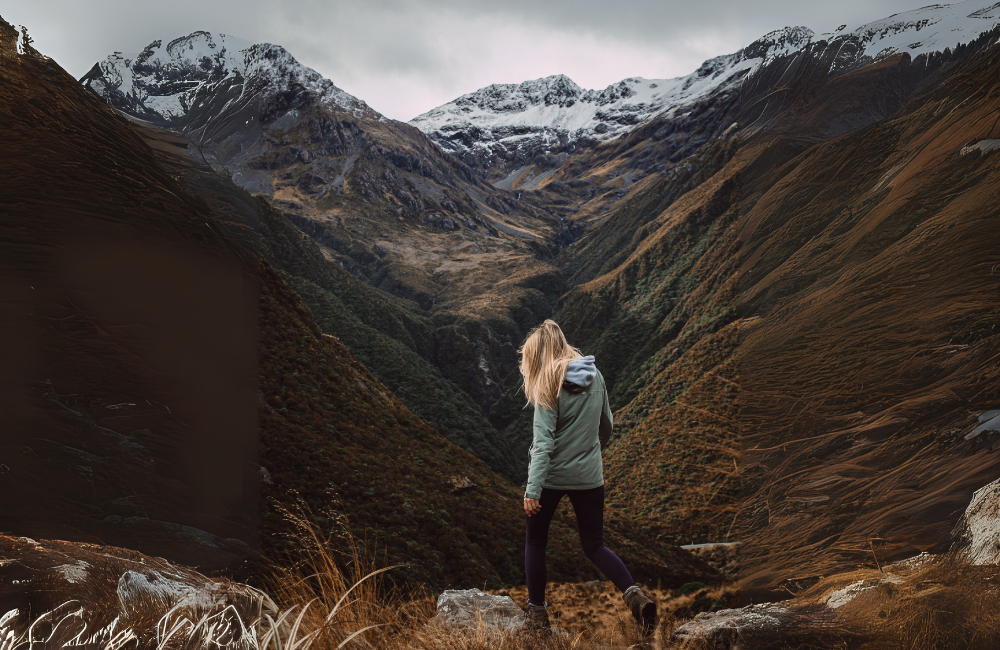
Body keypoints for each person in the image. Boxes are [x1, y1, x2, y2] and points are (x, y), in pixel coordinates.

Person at [518, 319, 656, 634]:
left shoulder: (546, 384)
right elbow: (606, 424)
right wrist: (591, 454)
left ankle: (538, 617)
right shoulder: (596, 376)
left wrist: (532, 490)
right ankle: (634, 595)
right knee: (594, 544)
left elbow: (543, 445)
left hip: (551, 478)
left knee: (536, 542)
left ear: (538, 356)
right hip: (590, 477)